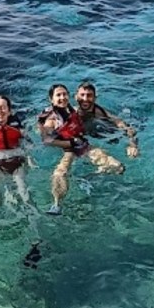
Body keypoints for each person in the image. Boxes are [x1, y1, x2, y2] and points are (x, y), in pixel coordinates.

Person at [37, 84, 124, 215]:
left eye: (64, 94)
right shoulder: (52, 119)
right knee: (60, 173)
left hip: (84, 146)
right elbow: (47, 140)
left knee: (117, 167)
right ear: (51, 99)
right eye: (58, 95)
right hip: (68, 150)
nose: (62, 97)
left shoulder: (72, 110)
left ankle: (88, 178)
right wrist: (69, 142)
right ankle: (56, 204)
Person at [75, 81, 140, 158]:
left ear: (95, 98)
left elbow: (126, 127)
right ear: (76, 97)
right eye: (82, 95)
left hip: (105, 134)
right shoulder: (71, 113)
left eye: (89, 95)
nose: (85, 99)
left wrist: (133, 145)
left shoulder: (101, 112)